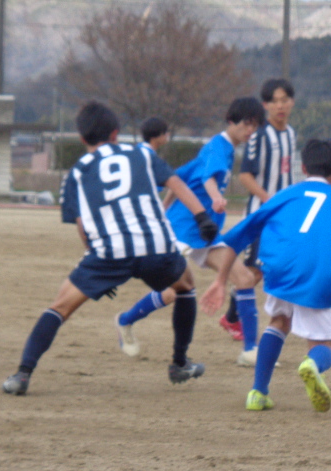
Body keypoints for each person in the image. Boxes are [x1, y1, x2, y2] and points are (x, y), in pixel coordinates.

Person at [2, 101, 218, 395]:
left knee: (60, 306)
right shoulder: (141, 154)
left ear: (82, 138)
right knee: (186, 286)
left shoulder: (76, 173)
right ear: (116, 133)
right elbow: (175, 183)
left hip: (109, 253)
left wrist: (98, 268)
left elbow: (82, 225)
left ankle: (22, 374)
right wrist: (202, 217)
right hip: (155, 245)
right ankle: (179, 363)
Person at [200, 139, 331, 412]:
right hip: (319, 274)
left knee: (280, 320)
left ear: (303, 168)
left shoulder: (285, 195)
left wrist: (220, 281)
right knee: (323, 342)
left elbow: (236, 238)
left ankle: (258, 392)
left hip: (279, 267)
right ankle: (312, 363)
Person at [114, 97, 266, 366]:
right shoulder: (219, 147)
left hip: (205, 234)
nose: (250, 130)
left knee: (243, 277)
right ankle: (126, 320)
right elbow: (208, 179)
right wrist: (215, 197)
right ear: (231, 121)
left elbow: (179, 177)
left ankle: (250, 351)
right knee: (174, 291)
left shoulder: (219, 149)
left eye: (255, 126)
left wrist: (164, 206)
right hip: (183, 229)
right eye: (247, 124)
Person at [218, 78, 297, 342]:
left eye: (284, 100)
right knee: (252, 271)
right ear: (265, 105)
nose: (280, 106)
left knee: (262, 270)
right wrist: (268, 199)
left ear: (292, 102)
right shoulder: (260, 135)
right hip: (259, 217)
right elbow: (245, 176)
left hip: (281, 217)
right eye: (274, 101)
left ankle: (233, 317)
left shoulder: (291, 134)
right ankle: (233, 318)